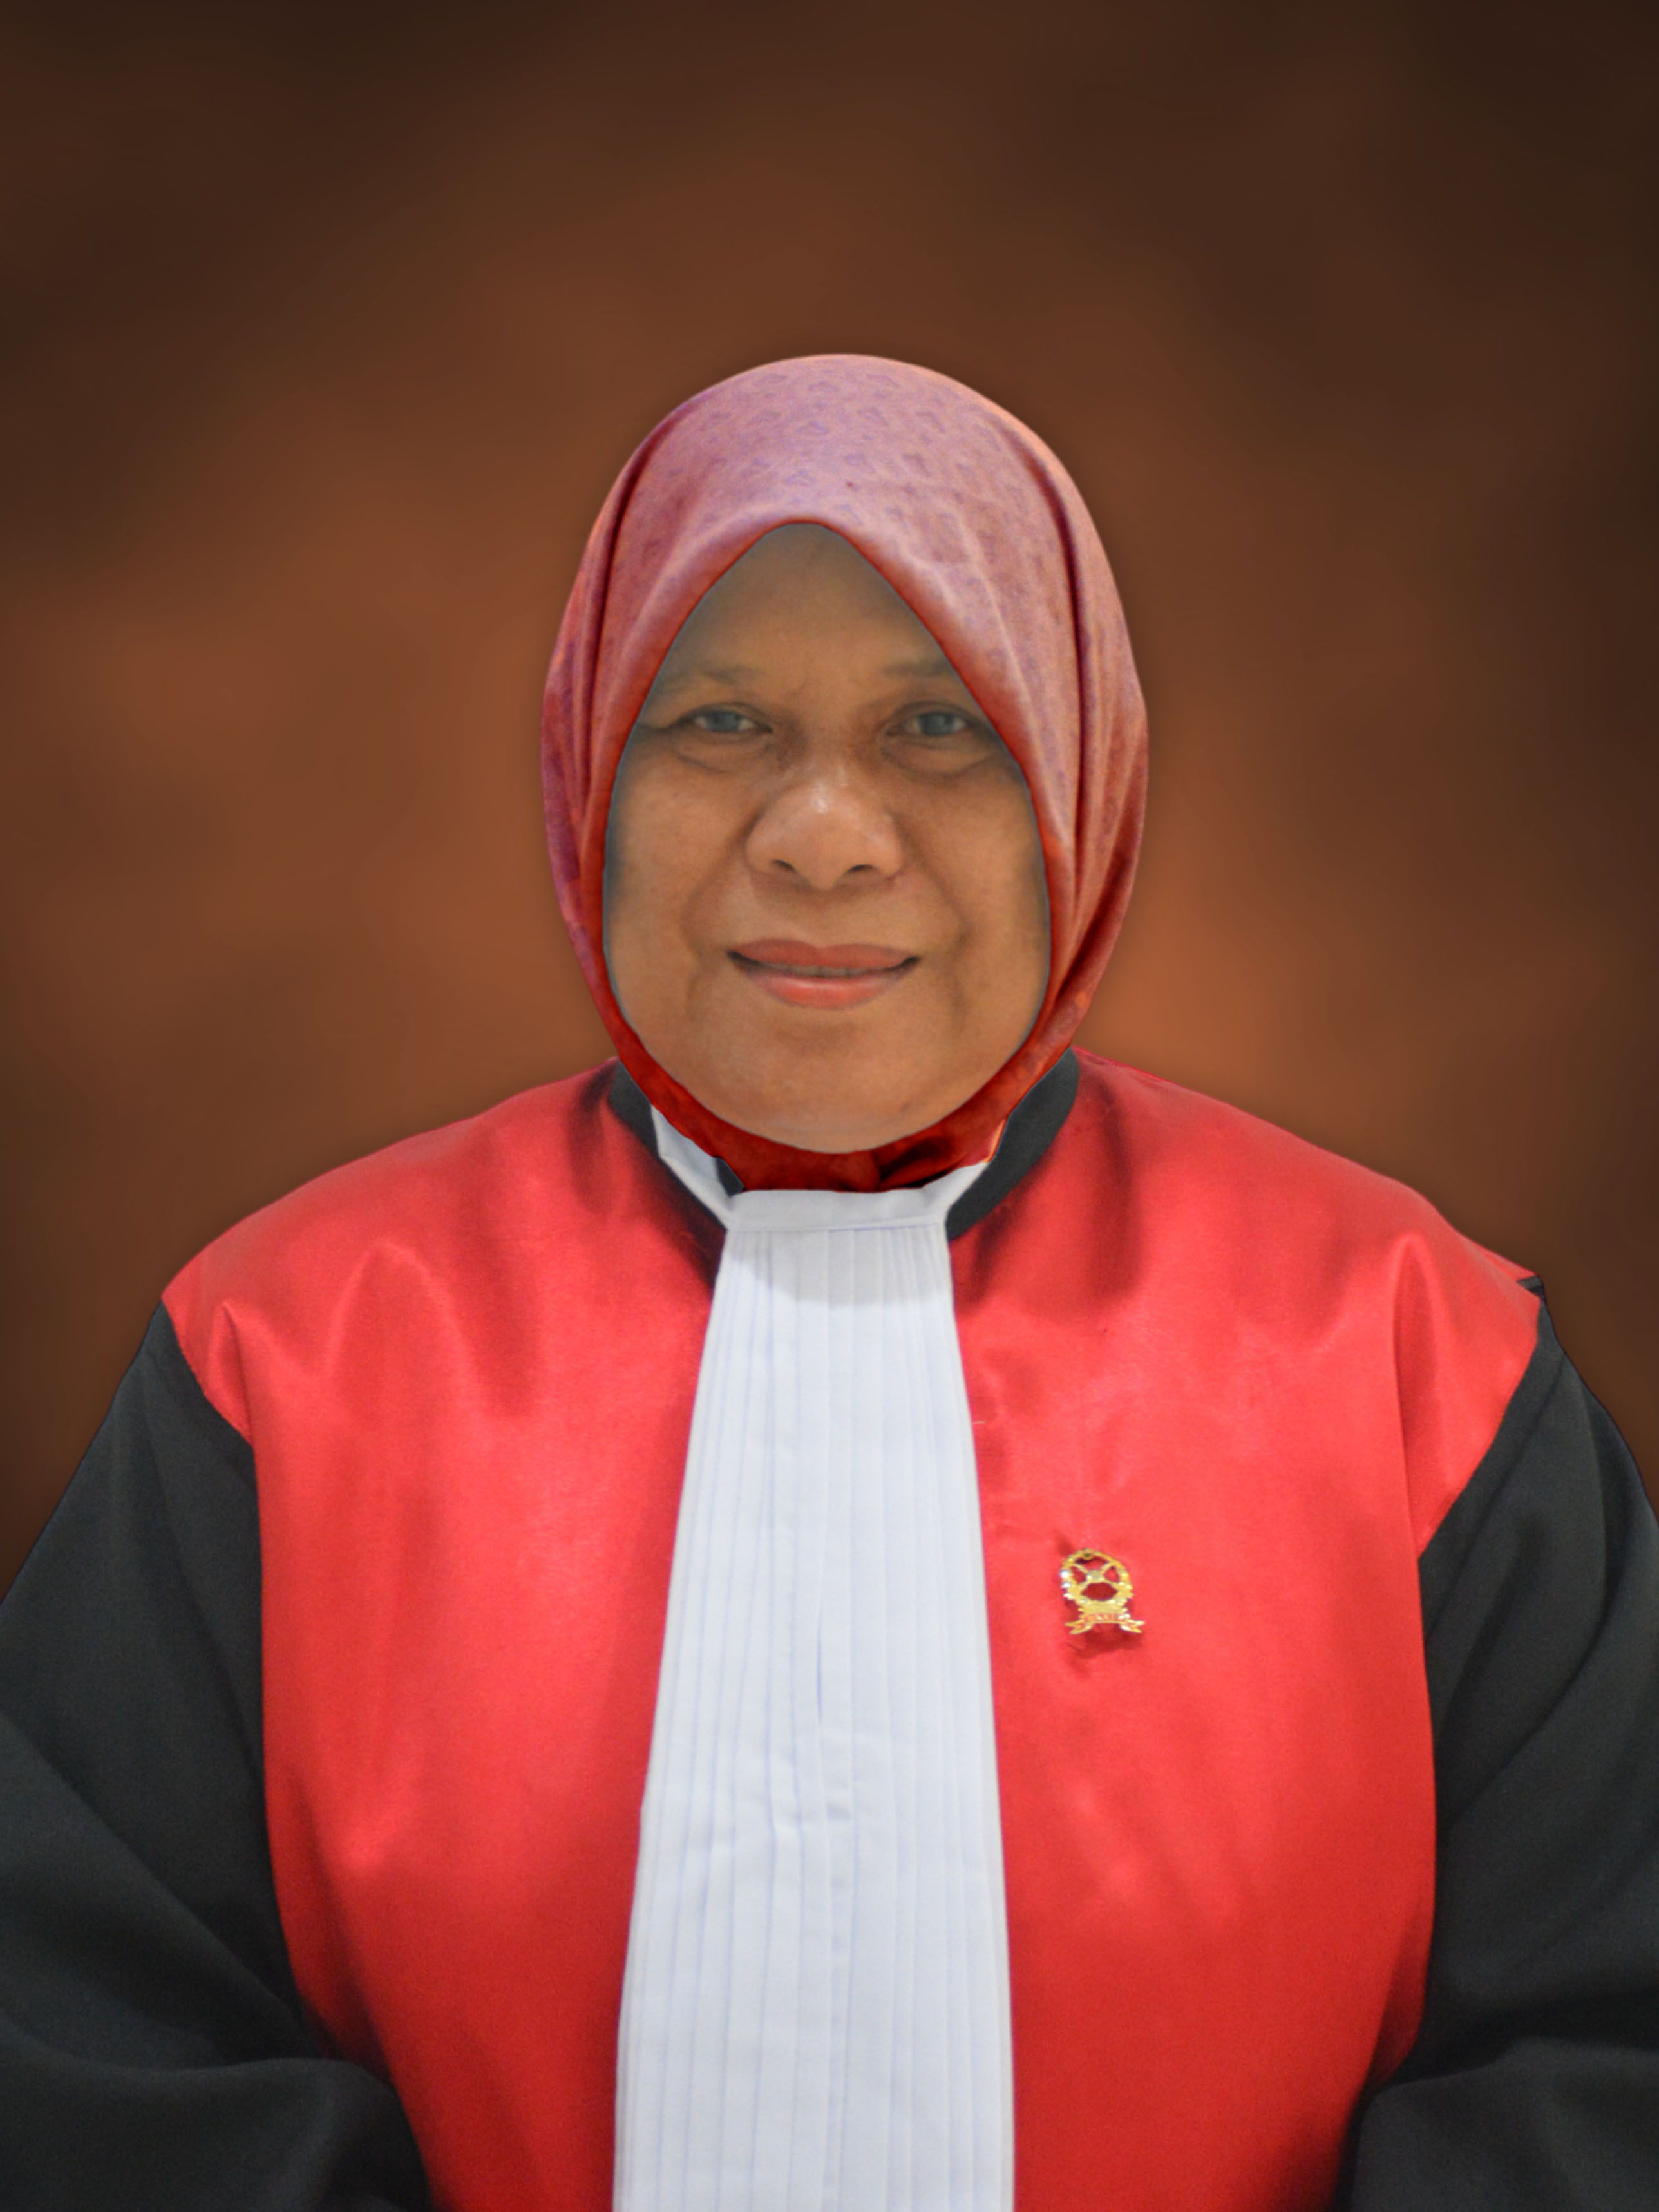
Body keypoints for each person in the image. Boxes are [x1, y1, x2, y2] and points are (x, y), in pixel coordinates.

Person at [0, 355, 1654, 2212]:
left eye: (941, 724)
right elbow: (77, 2037)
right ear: (591, 774)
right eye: (718, 721)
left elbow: (1609, 2047)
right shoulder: (288, 1356)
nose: (825, 831)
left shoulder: (1413, 1356)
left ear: (1080, 780)